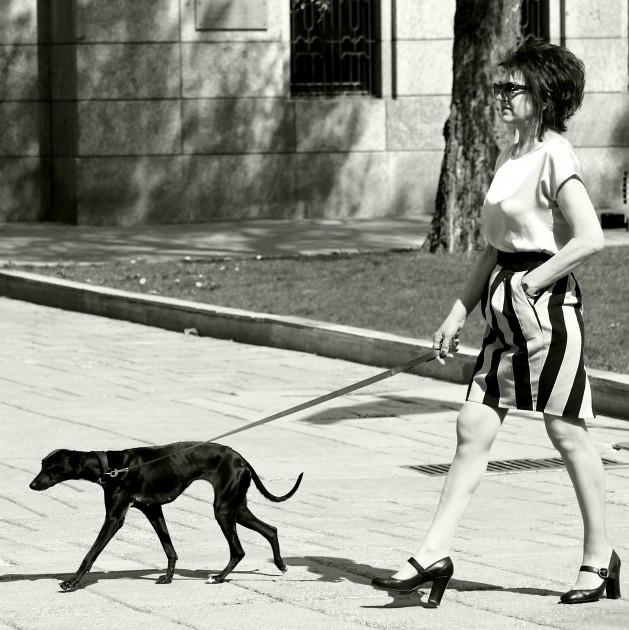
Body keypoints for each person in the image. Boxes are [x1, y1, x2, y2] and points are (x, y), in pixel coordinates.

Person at [371, 40, 620, 607]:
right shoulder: (510, 154)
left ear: (544, 94)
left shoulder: (556, 156)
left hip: (547, 312)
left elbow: (590, 238)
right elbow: (493, 246)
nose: (501, 96)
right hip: (503, 309)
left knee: (567, 433)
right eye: (498, 86)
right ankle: (433, 552)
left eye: (512, 87)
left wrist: (532, 285)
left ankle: (598, 558)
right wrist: (458, 311)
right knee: (472, 427)